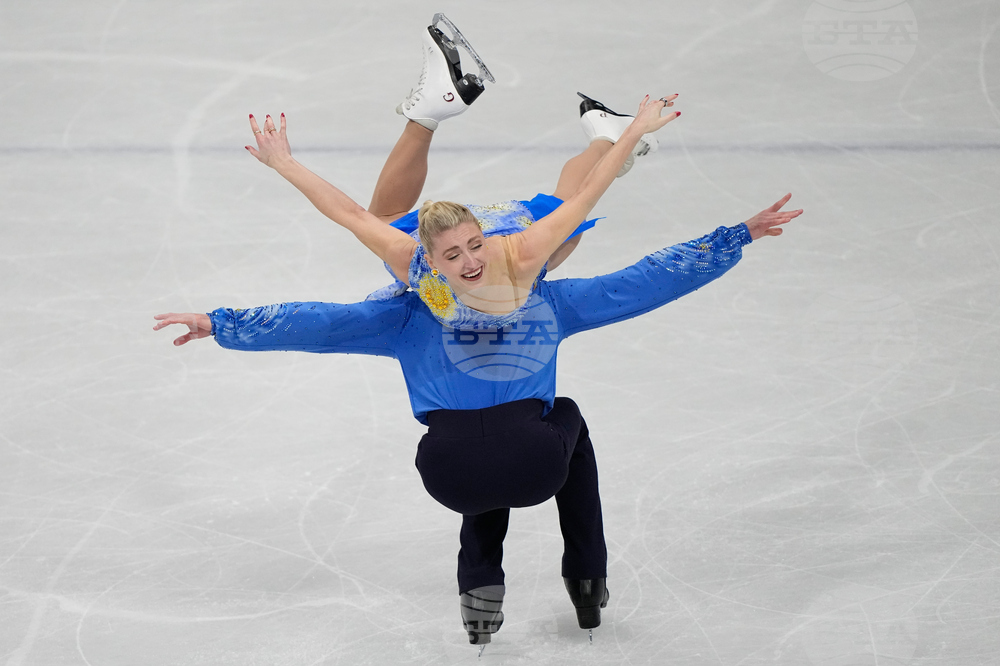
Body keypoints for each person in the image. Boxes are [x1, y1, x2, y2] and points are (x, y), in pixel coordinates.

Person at [153, 192, 803, 644]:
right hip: (536, 464)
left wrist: (219, 323)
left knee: (479, 455)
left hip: (447, 474)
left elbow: (312, 322)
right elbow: (646, 279)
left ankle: (480, 588)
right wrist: (735, 236)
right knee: (562, 421)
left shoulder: (398, 315)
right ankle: (586, 578)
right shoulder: (546, 301)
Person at [243, 13, 679, 330]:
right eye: (453, 256)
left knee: (566, 209)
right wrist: (284, 164)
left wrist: (636, 131)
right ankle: (606, 134)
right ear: (428, 259)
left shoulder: (517, 254)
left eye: (472, 247)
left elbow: (588, 197)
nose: (471, 262)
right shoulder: (414, 261)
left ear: (482, 236)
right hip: (500, 238)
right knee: (567, 206)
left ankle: (608, 136)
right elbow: (348, 215)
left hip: (514, 236)